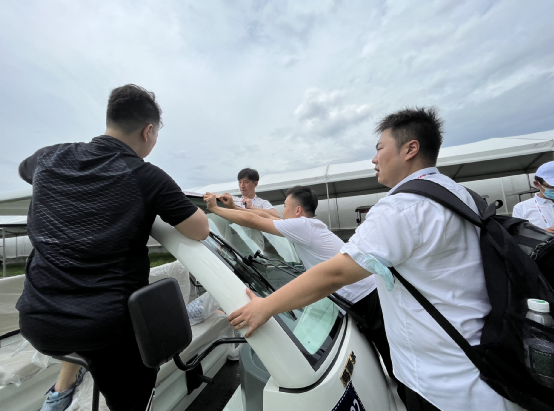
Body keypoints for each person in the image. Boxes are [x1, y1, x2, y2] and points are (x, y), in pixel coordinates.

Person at [227, 107, 521, 411]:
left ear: (410, 149)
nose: (374, 159)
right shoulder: (458, 193)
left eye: (380, 148)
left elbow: (336, 273)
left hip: (443, 384)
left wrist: (265, 307)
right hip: (483, 362)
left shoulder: (403, 207)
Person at [17, 84, 209, 411]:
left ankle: (61, 392)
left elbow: (25, 169)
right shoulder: (148, 177)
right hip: (104, 330)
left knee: (81, 325)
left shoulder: (49, 157)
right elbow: (200, 229)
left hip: (38, 321)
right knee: (131, 389)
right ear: (148, 131)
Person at [202, 186, 397, 386]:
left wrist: (215, 210)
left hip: (367, 298)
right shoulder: (309, 226)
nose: (282, 210)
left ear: (297, 210)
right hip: (366, 295)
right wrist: (233, 207)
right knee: (387, 352)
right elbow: (263, 216)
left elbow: (254, 221)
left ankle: (408, 394)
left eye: (285, 206)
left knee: (394, 358)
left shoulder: (302, 226)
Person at [512, 161, 554, 233]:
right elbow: (519, 235)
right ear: (537, 184)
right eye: (551, 187)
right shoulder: (521, 208)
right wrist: (542, 235)